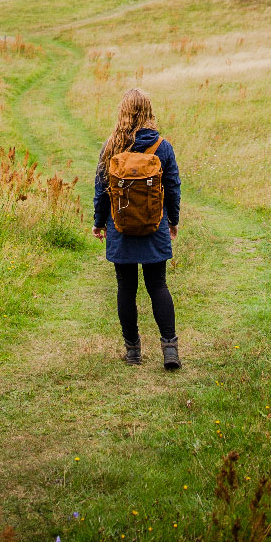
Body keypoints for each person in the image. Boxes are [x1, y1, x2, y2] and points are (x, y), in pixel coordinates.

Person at [93, 88, 182, 369]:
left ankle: (133, 351)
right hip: (154, 225)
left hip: (120, 227)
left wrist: (98, 222)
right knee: (158, 285)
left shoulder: (112, 145)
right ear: (148, 112)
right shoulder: (162, 147)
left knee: (126, 287)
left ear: (123, 112)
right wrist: (173, 221)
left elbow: (101, 189)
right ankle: (170, 351)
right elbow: (173, 188)